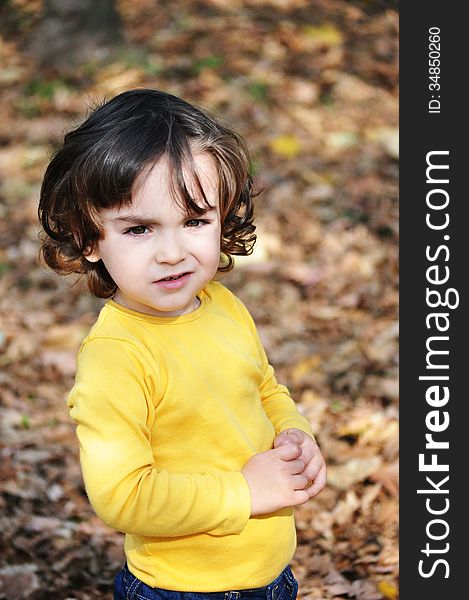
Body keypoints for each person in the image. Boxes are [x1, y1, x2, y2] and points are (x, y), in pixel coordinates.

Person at [38, 88, 326, 600]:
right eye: (140, 229)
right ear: (89, 238)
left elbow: (265, 388)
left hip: (271, 574)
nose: (173, 253)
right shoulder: (116, 357)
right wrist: (244, 491)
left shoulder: (223, 305)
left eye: (195, 221)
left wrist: (294, 436)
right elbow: (123, 495)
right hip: (181, 587)